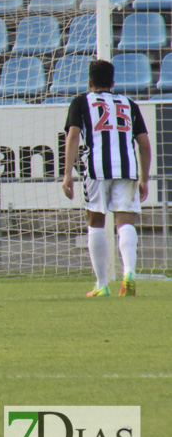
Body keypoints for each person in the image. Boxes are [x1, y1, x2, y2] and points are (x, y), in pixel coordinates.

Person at [61, 59, 151, 298]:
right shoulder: (128, 104)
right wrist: (144, 177)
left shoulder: (81, 102)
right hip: (128, 169)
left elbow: (73, 136)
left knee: (96, 223)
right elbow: (144, 143)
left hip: (96, 169)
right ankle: (129, 273)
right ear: (113, 83)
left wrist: (67, 174)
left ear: (89, 82)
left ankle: (102, 284)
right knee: (126, 222)